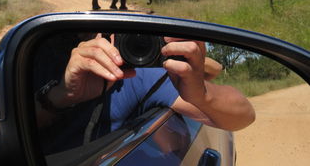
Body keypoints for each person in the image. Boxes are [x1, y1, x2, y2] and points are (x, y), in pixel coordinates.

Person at [35, 35, 255, 154]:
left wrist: (201, 95)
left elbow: (244, 115)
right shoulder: (36, 58)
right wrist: (65, 93)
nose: (133, 46)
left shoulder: (140, 77)